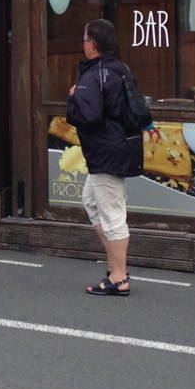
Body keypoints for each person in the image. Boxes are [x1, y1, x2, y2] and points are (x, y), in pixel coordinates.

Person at [67, 18, 142, 297]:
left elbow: (88, 116)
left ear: (93, 44)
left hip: (106, 151)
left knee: (112, 214)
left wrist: (73, 98)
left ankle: (119, 277)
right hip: (120, 146)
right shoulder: (121, 69)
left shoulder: (93, 75)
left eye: (85, 39)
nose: (83, 44)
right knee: (91, 202)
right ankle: (114, 268)